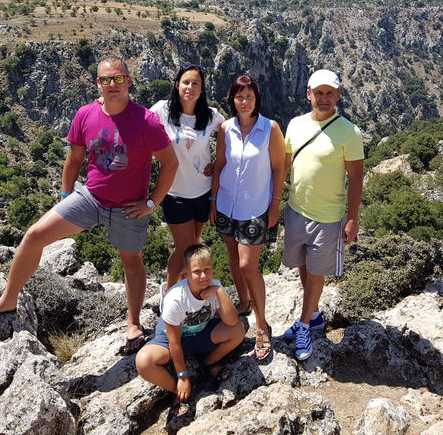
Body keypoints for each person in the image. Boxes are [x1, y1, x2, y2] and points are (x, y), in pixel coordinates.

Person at [0, 56, 179, 356]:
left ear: (129, 81)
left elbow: (170, 163)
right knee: (34, 235)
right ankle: (8, 298)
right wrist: (66, 197)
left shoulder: (146, 120)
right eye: (106, 79)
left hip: (128, 208)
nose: (112, 85)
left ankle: (133, 324)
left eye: (118, 78)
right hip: (90, 198)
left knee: (131, 263)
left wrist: (151, 203)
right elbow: (74, 158)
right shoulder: (85, 114)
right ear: (97, 83)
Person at [282, 69, 364, 361]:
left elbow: (356, 179)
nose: (324, 98)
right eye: (319, 92)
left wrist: (352, 218)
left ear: (338, 96)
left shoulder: (349, 132)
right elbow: (284, 164)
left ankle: (303, 325)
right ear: (309, 94)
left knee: (316, 273)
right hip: (295, 211)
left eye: (330, 93)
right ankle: (313, 315)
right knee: (304, 266)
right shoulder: (294, 125)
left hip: (328, 218)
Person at [209, 75, 284, 361]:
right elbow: (219, 165)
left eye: (248, 96)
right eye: (239, 97)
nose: (244, 101)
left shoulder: (270, 128)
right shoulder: (226, 128)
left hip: (255, 207)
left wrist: (275, 203)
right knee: (231, 256)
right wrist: (214, 201)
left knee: (247, 264)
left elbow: (279, 168)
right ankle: (244, 302)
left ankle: (263, 327)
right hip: (228, 203)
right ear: (232, 100)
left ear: (256, 99)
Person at [135, 244, 245, 426]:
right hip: (171, 341)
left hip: (200, 333)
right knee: (144, 361)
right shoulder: (175, 298)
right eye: (197, 271)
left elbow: (232, 322)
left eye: (207, 270)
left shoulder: (214, 286)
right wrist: (183, 377)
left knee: (238, 331)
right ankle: (179, 392)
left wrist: (218, 292)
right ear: (186, 274)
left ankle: (208, 362)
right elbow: (174, 342)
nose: (203, 276)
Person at [150, 64, 225, 294]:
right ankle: (172, 293)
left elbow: (232, 132)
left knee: (190, 246)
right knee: (186, 249)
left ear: (202, 89)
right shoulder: (162, 110)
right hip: (175, 193)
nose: (190, 87)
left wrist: (219, 163)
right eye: (186, 82)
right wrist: (104, 103)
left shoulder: (211, 116)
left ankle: (176, 288)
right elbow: (136, 118)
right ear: (177, 84)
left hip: (202, 192)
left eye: (196, 84)